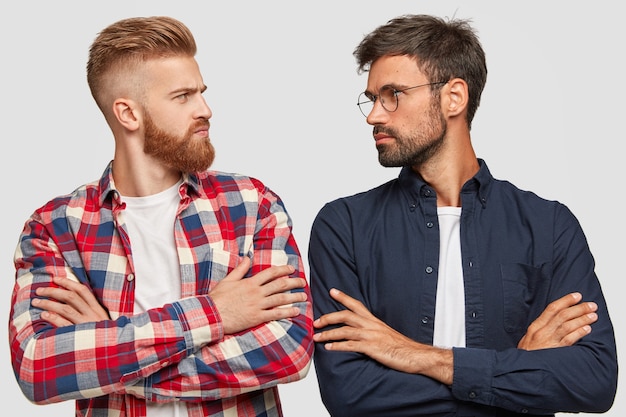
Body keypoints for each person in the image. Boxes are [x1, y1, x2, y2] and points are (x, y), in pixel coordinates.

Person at [310, 14, 617, 417]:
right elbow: (349, 394)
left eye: (394, 95)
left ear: (454, 97)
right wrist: (514, 371)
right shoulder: (344, 226)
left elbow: (594, 381)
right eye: (372, 98)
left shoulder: (548, 226)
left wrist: (412, 355)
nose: (374, 116)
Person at [9, 16, 313, 417]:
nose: (205, 109)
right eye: (183, 96)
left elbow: (288, 349)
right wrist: (219, 313)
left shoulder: (251, 204)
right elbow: (39, 369)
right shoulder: (55, 227)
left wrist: (109, 350)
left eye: (201, 92)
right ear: (128, 114)